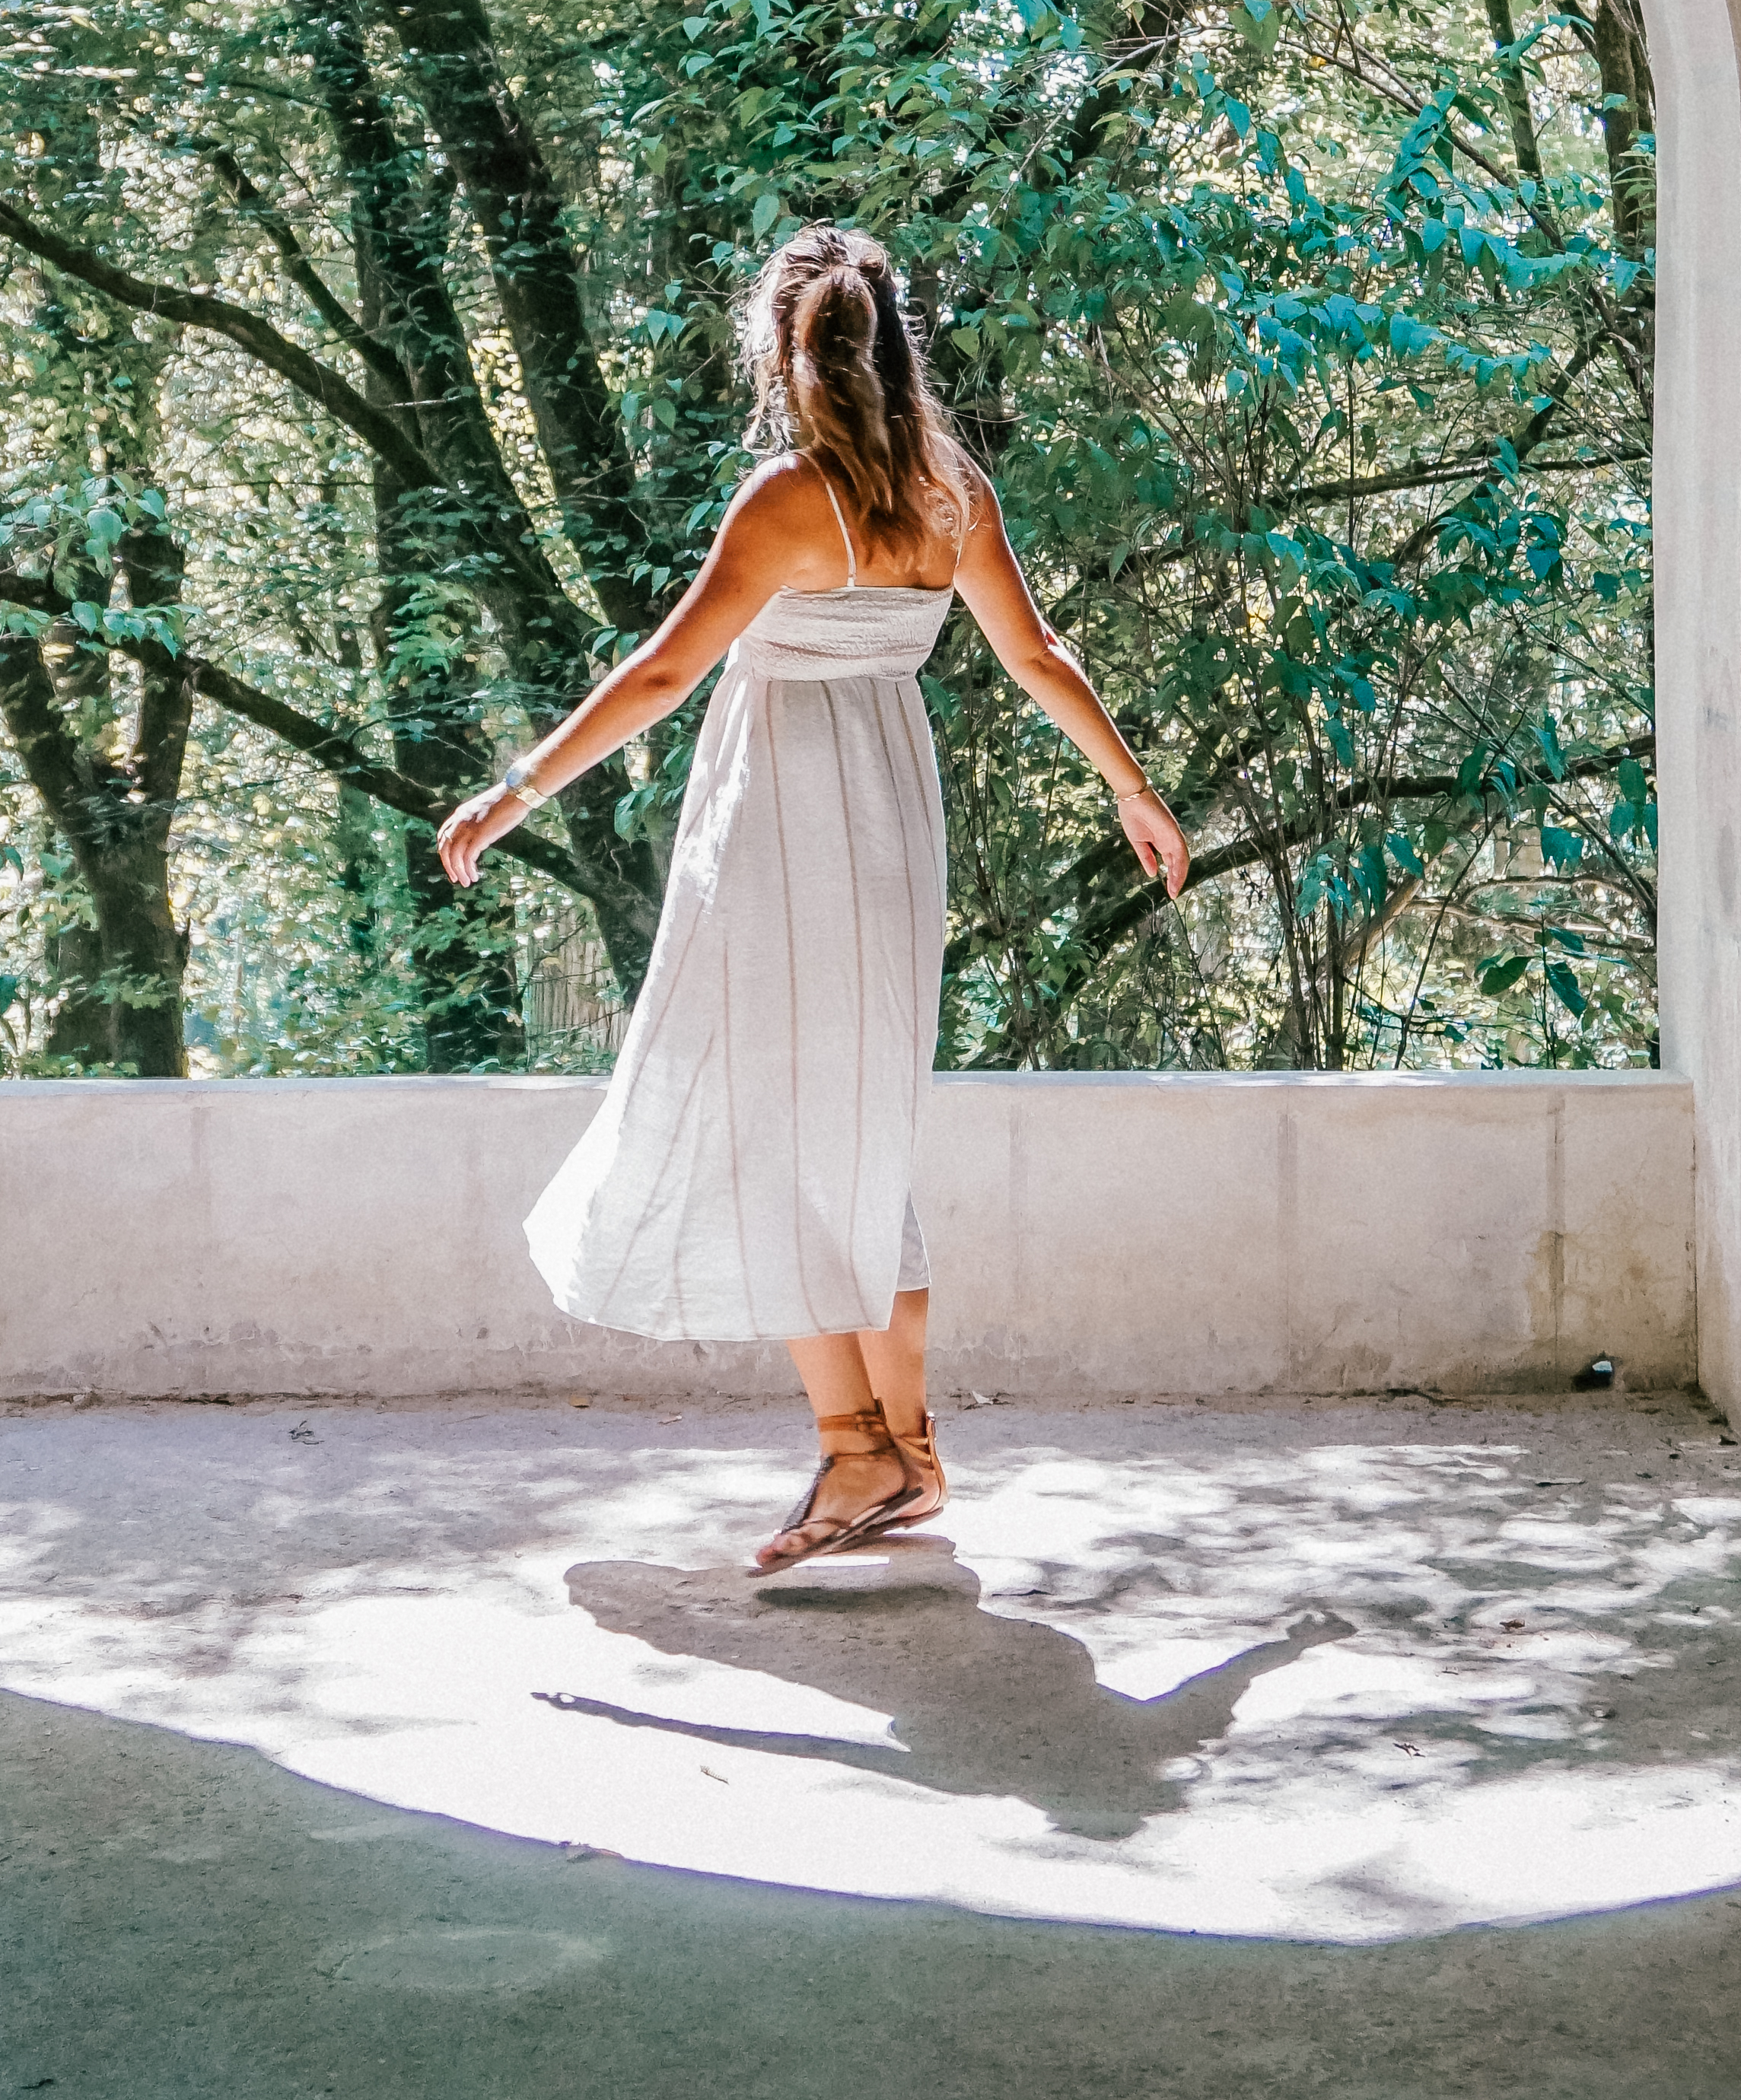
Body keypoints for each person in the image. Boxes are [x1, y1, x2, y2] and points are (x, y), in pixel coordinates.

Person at [439, 223, 1188, 1570]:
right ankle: (912, 1455)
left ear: (786, 354)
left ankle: (857, 1457)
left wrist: (515, 789)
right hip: (892, 821)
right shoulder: (951, 492)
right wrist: (1131, 787)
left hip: (782, 822)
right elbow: (1039, 654)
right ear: (895, 350)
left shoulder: (788, 501)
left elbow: (665, 676)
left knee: (772, 1128)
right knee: (861, 1134)